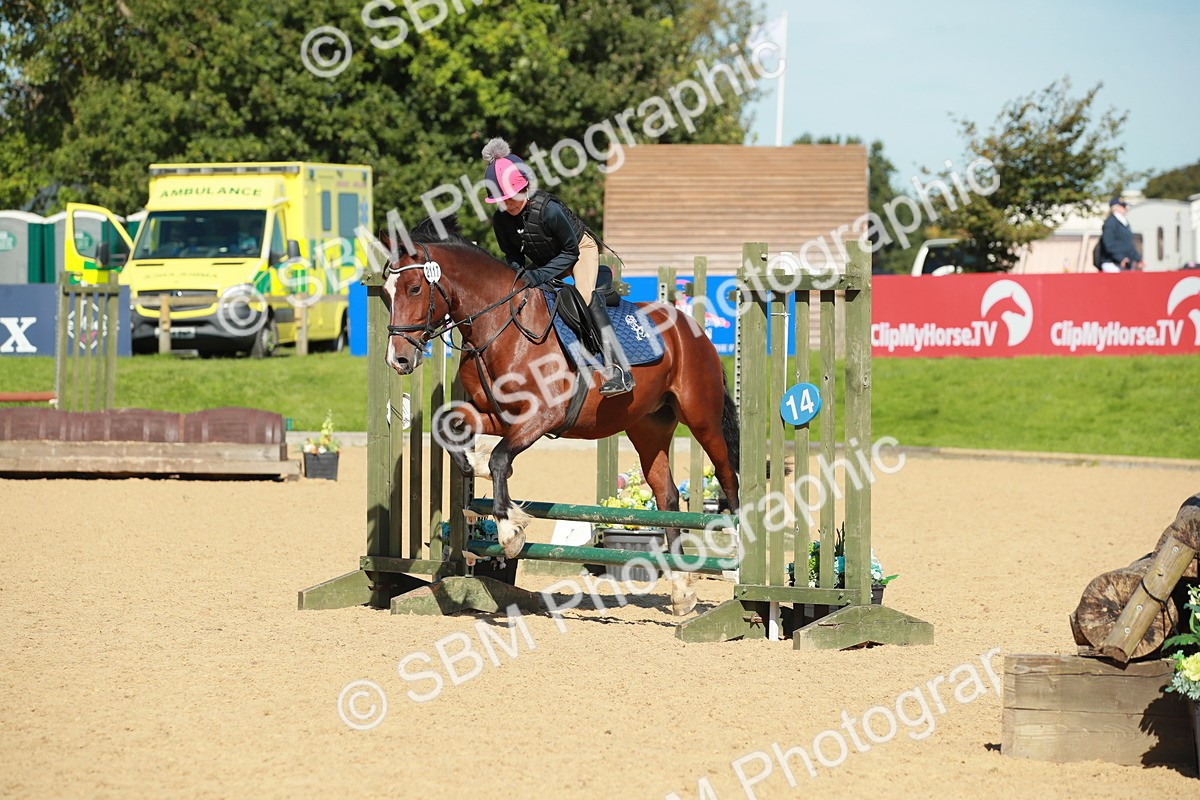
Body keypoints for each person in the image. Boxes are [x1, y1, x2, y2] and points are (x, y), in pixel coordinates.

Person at [481, 137, 634, 396]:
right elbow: (511, 255)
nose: (508, 204)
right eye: (503, 200)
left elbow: (570, 250)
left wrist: (538, 274)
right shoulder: (501, 220)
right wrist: (519, 277)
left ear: (525, 188)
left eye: (511, 197)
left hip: (578, 252)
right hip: (546, 259)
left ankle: (619, 369)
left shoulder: (549, 210)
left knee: (585, 298)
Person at [1097, 196, 1144, 272]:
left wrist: (1138, 258)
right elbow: (1109, 244)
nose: (1126, 208)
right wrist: (1120, 258)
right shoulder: (1110, 223)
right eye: (1123, 206)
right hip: (1112, 264)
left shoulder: (1124, 223)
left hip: (1125, 263)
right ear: (1116, 208)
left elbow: (1128, 244)